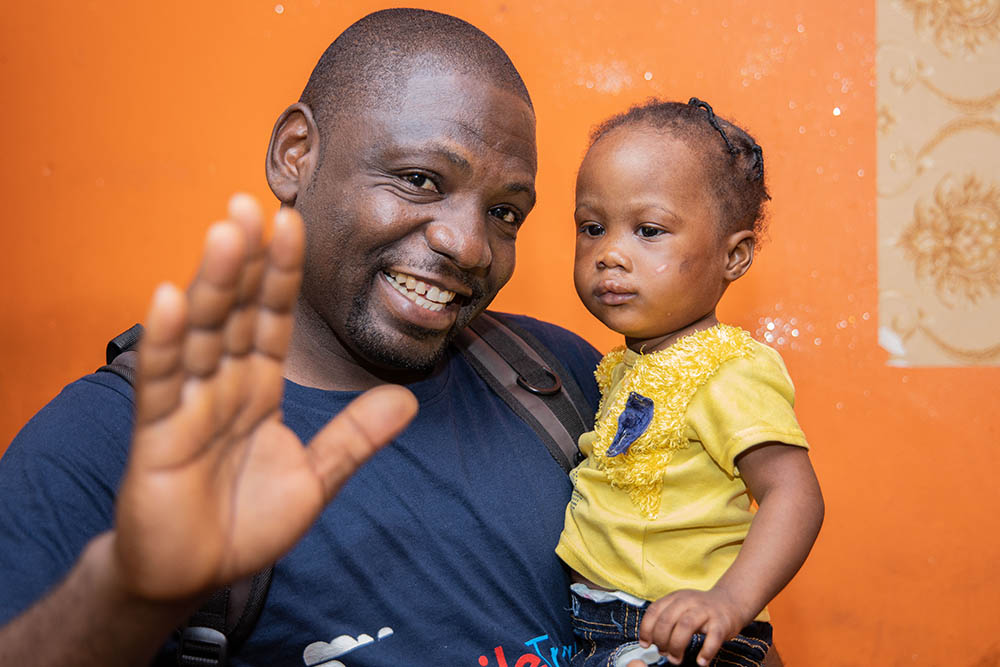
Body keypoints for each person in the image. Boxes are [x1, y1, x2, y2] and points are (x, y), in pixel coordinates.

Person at [0, 10, 606, 665]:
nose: (470, 245)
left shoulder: (556, 377)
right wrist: (128, 599)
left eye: (504, 213)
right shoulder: (107, 442)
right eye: (421, 179)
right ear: (296, 155)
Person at [554, 99, 824, 667]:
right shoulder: (620, 369)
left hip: (680, 633)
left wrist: (727, 603)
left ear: (735, 255)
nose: (610, 254)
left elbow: (793, 494)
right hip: (600, 623)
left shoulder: (728, 367)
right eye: (592, 227)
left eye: (648, 230)